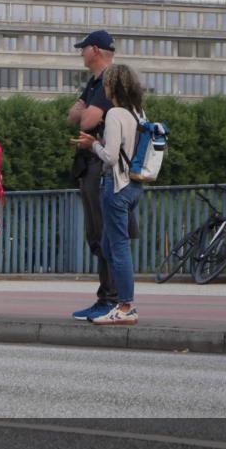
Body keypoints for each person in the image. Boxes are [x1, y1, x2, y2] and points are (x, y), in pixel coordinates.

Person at [72, 64, 146, 326]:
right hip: (134, 185)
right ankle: (116, 301)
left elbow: (111, 156)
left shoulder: (114, 114)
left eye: (106, 85)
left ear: (111, 87)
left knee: (118, 248)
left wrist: (93, 144)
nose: (103, 88)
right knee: (108, 245)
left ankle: (124, 305)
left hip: (115, 186)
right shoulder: (137, 112)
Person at [68, 30, 119, 321]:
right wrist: (85, 111)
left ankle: (111, 299)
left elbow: (85, 119)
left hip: (104, 165)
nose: (80, 52)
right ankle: (108, 297)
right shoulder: (96, 82)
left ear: (96, 50)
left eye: (83, 48)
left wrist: (85, 110)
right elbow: (71, 117)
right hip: (92, 163)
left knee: (105, 234)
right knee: (97, 235)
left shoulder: (110, 80)